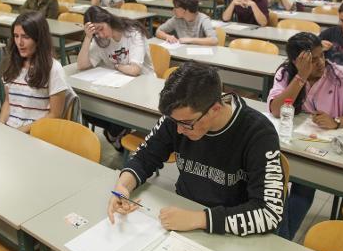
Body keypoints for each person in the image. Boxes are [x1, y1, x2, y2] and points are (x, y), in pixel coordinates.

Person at [108, 61, 285, 236]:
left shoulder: (258, 133)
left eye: (186, 123)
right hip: (184, 210)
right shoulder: (178, 118)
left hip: (229, 226)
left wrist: (200, 219)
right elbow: (145, 156)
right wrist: (123, 186)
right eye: (174, 122)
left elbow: (269, 213)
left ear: (215, 109)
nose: (178, 130)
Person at [268, 32, 343, 240]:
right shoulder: (286, 74)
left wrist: (337, 122)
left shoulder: (338, 75)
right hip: (293, 143)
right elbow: (276, 109)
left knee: (304, 187)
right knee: (276, 183)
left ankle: (283, 240)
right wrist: (301, 76)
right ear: (296, 61)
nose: (320, 63)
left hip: (324, 149)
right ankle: (282, 239)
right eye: (312, 60)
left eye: (321, 56)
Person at [77, 6, 154, 149]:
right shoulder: (99, 40)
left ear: (108, 20)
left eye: (101, 29)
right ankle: (117, 132)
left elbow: (135, 70)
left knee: (117, 114)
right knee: (87, 108)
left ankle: (116, 132)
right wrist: (88, 38)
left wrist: (117, 66)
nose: (100, 35)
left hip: (143, 87)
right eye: (96, 32)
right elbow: (81, 65)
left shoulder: (133, 33)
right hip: (117, 86)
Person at [0, 11, 69, 133]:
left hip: (37, 133)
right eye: (16, 36)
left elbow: (55, 114)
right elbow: (8, 101)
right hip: (12, 132)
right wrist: (0, 126)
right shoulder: (11, 64)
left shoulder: (53, 68)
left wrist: (20, 132)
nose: (19, 43)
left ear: (39, 39)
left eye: (26, 37)